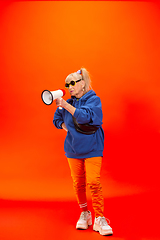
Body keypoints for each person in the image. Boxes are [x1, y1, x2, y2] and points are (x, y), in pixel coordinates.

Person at [53, 68, 113, 236]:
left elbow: (85, 117)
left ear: (83, 83)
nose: (69, 87)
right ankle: (85, 214)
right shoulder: (69, 102)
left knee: (93, 182)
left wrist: (64, 104)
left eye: (73, 83)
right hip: (73, 150)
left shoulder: (94, 100)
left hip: (93, 147)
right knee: (78, 183)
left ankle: (99, 218)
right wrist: (67, 128)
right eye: (67, 84)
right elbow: (56, 120)